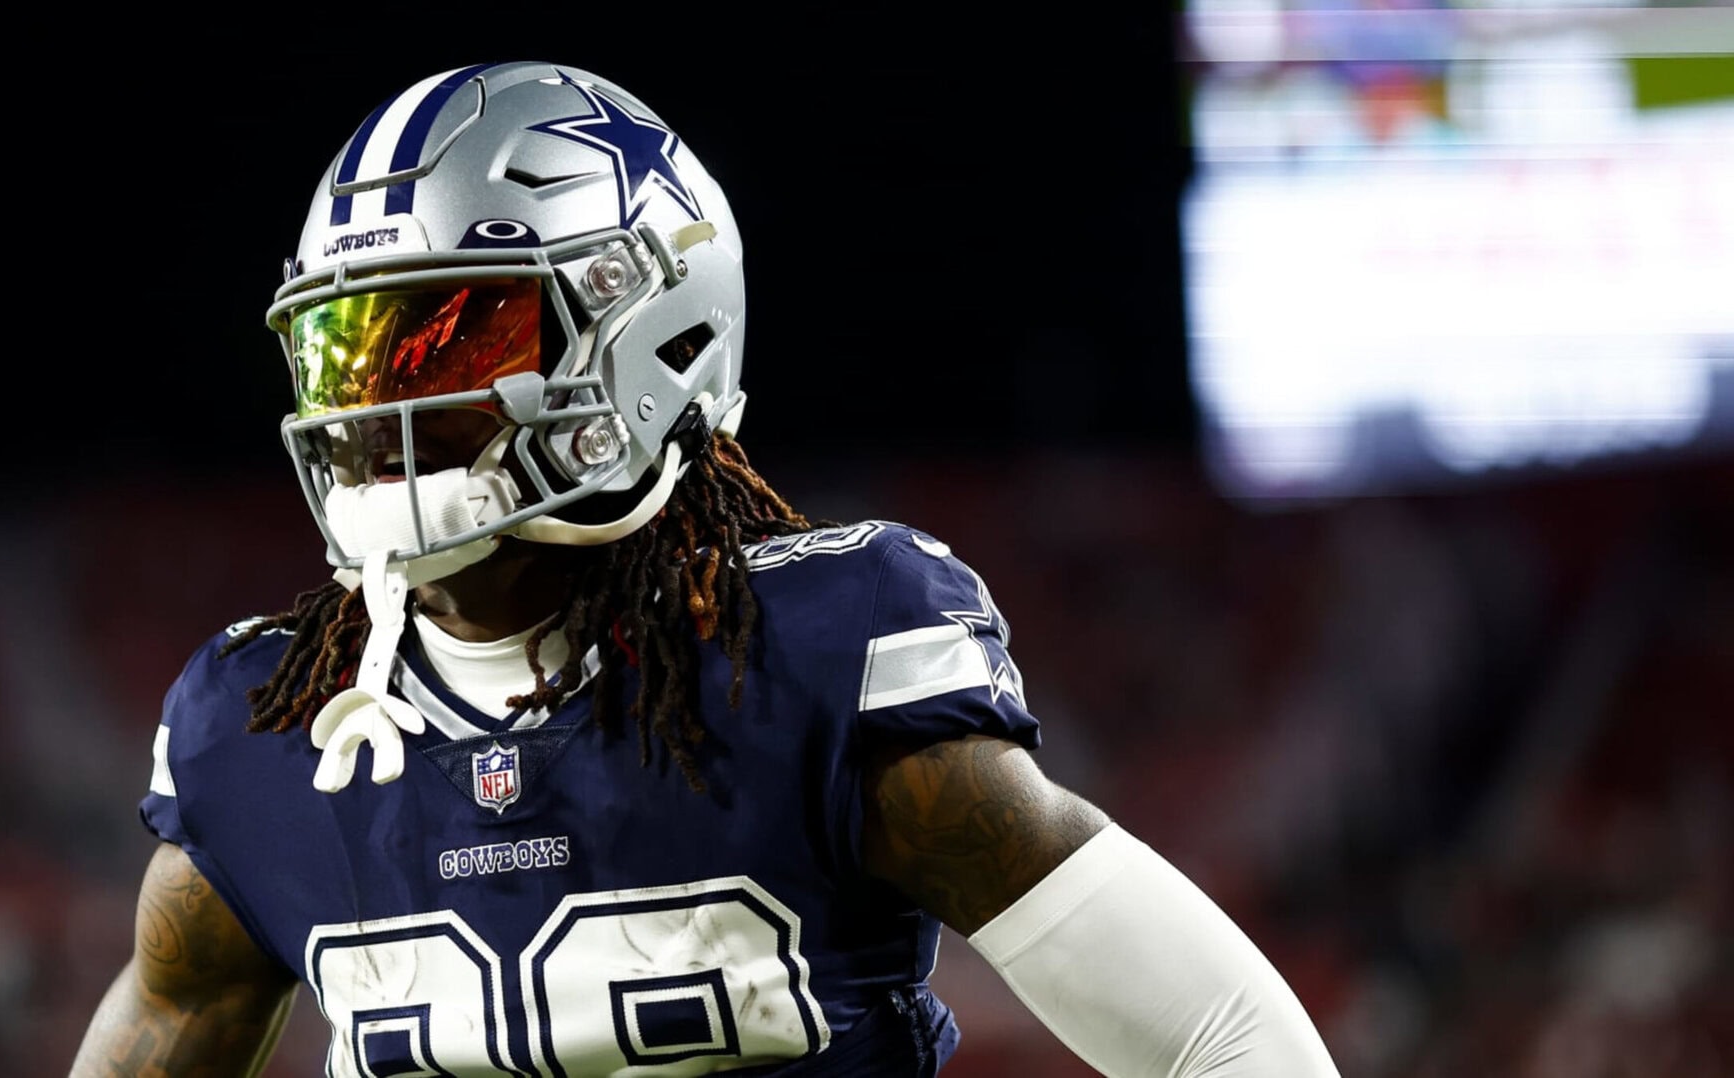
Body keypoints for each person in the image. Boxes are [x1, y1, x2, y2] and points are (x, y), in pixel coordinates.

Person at [70, 61, 1340, 1077]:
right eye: (347, 354)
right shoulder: (259, 735)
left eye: (451, 336)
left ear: (646, 335)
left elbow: (1217, 1042)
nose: (373, 409)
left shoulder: (807, 660)